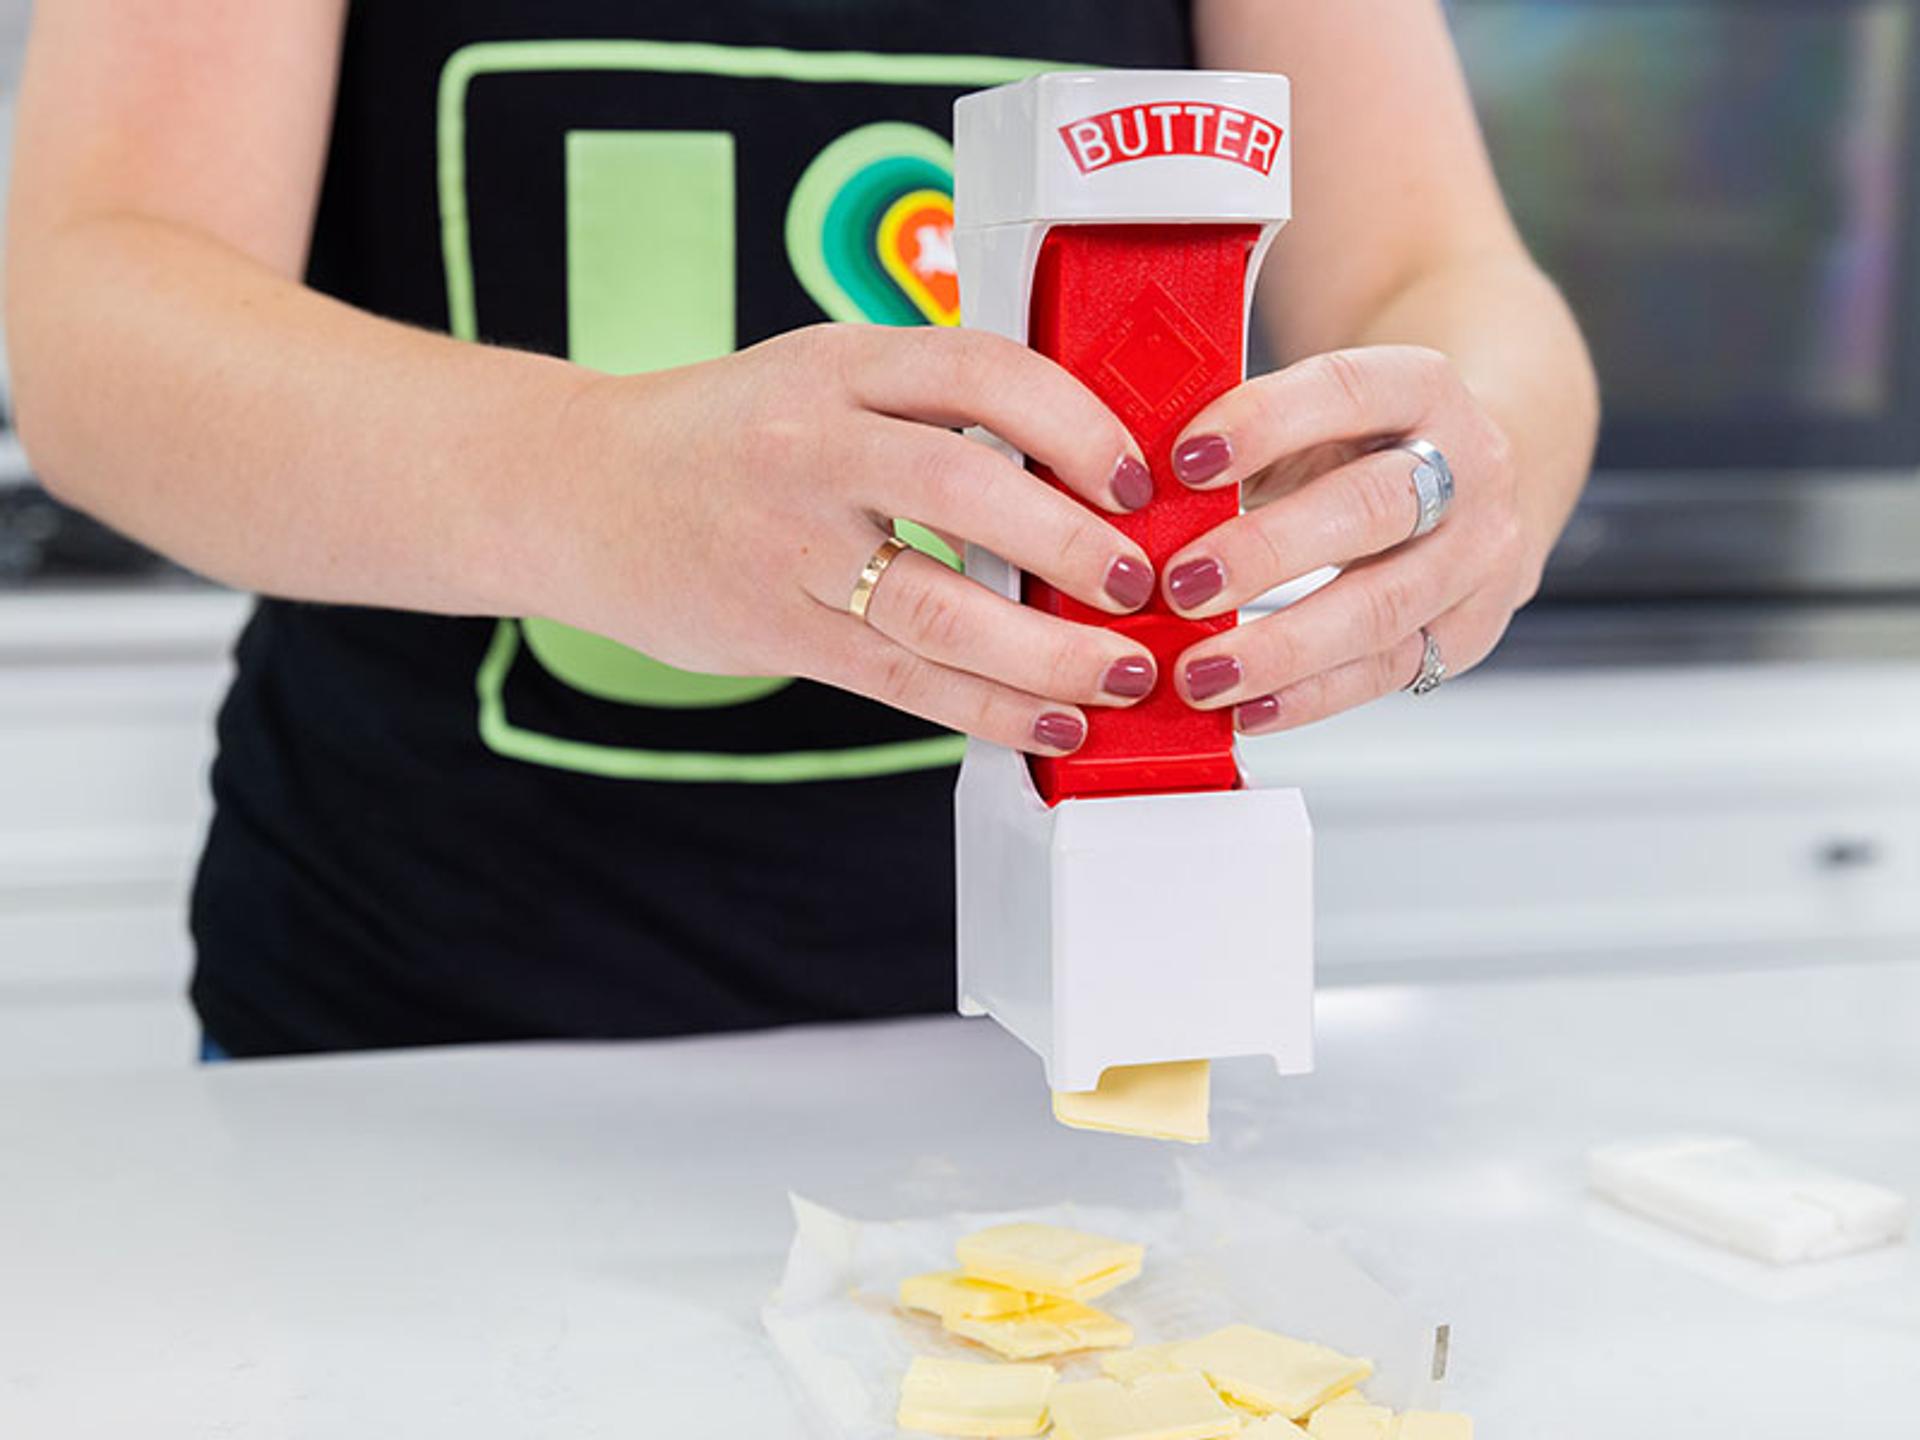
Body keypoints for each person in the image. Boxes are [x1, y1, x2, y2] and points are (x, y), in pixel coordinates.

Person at [5, 1, 1598, 1058]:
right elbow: (91, 315)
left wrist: (1467, 463)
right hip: (411, 1039)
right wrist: (595, 479)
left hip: (1065, 1069)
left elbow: (1442, 278)